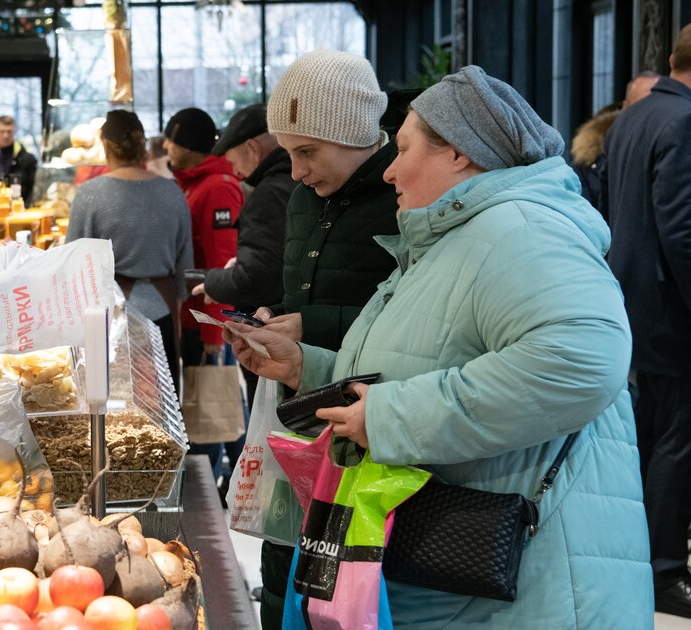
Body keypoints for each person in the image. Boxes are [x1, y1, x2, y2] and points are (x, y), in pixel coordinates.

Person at [226, 65, 651, 628]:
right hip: (470, 583)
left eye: (403, 150)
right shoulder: (458, 236)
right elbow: (428, 358)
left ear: (458, 153)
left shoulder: (521, 228)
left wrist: (390, 416)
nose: (390, 171)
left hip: (526, 582)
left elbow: (580, 362)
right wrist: (309, 367)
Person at [239, 50, 400, 629]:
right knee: (284, 558)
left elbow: (407, 313)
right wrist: (275, 318)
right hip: (298, 411)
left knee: (340, 582)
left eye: (307, 151)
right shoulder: (305, 196)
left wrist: (314, 324)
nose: (297, 170)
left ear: (355, 133)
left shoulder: (402, 196)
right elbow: (307, 289)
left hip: (367, 425)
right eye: (287, 153)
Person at [601, 23, 691, 618]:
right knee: (678, 442)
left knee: (653, 434)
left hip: (634, 301)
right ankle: (664, 571)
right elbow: (682, 230)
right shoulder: (683, 121)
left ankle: (639, 559)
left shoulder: (634, 115)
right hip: (673, 312)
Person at [189, 103, 294, 493]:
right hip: (285, 327)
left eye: (233, 160)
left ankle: (265, 494)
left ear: (252, 148)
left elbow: (256, 275)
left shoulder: (269, 190)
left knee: (273, 435)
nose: (232, 170)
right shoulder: (288, 184)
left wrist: (216, 281)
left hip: (273, 332)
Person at [66, 110, 193, 390]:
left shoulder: (89, 194)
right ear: (142, 146)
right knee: (162, 396)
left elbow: (73, 264)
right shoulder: (172, 192)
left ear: (106, 146)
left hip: (107, 313)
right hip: (161, 306)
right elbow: (186, 266)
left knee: (115, 401)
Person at [163, 107, 244, 476]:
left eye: (171, 139)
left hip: (206, 319)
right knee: (215, 398)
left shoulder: (216, 188)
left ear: (188, 144)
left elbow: (222, 262)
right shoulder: (192, 183)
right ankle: (234, 474)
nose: (165, 146)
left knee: (210, 401)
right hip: (193, 316)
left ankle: (210, 481)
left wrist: (215, 330)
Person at [570, 71, 659, 216]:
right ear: (626, 107)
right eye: (643, 105)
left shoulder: (668, 149)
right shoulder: (588, 164)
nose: (648, 113)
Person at [0, 115, 38, 207]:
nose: (5, 135)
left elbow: (32, 189)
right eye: (2, 131)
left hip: (20, 208)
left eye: (9, 131)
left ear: (14, 131)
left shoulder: (27, 159)